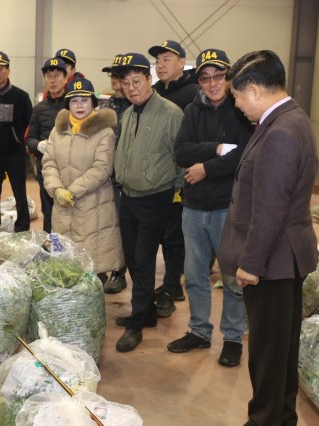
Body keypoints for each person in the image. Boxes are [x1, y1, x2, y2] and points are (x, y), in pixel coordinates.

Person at [218, 50, 318, 425]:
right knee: (281, 351)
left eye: (238, 97)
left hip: (273, 261)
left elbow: (270, 210)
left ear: (255, 91)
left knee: (267, 354)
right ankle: (281, 417)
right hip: (285, 257)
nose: (238, 106)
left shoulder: (279, 133)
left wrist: (250, 263)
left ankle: (264, 420)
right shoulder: (293, 119)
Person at [166, 49, 253, 368]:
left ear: (228, 78)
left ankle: (232, 338)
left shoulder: (241, 111)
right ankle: (200, 331)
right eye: (205, 77)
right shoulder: (192, 110)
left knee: (231, 276)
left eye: (218, 76)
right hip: (193, 207)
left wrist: (205, 167)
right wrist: (215, 150)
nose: (213, 83)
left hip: (226, 207)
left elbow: (244, 154)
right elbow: (180, 151)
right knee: (195, 274)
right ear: (199, 81)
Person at [112, 53, 184, 352]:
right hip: (127, 197)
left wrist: (177, 197)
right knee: (131, 258)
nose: (131, 88)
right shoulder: (128, 113)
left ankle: (139, 322)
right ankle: (147, 311)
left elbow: (182, 158)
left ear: (149, 80)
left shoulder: (171, 113)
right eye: (126, 83)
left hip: (156, 199)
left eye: (137, 82)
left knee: (143, 260)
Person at [42, 77, 123, 282]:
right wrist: (57, 190)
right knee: (63, 266)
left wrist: (72, 191)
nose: (79, 105)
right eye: (74, 100)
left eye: (84, 100)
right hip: (62, 207)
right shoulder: (57, 131)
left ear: (93, 103)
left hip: (93, 208)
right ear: (67, 104)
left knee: (92, 272)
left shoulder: (104, 132)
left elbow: (101, 168)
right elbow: (49, 162)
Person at [147, 40, 200, 315]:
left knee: (174, 237)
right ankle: (172, 284)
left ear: (182, 61)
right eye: (158, 60)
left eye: (167, 59)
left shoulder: (193, 93)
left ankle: (171, 286)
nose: (161, 64)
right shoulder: (154, 92)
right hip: (155, 176)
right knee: (160, 233)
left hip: (180, 177)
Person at [0, 51, 33, 242]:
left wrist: (23, 144)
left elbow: (30, 124)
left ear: (8, 70)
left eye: (1, 69)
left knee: (20, 192)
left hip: (15, 153)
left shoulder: (21, 96)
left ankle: (23, 228)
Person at [25, 57, 68, 233]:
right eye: (49, 76)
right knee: (49, 211)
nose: (53, 80)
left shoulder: (73, 104)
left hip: (70, 167)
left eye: (57, 75)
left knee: (70, 211)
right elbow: (29, 138)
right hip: (47, 169)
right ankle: (51, 250)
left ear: (66, 78)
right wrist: (39, 145)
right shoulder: (39, 108)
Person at [100, 54, 131, 293]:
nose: (114, 79)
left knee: (123, 226)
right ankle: (101, 268)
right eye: (112, 75)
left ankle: (120, 272)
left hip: (125, 177)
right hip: (104, 175)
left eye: (118, 75)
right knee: (104, 224)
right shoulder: (105, 105)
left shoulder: (134, 107)